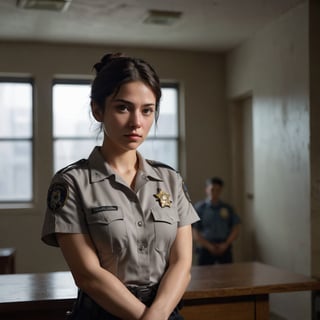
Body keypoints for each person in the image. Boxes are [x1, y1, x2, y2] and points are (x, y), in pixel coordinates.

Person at [41, 52, 199, 320]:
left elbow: (182, 264)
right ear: (97, 110)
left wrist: (157, 315)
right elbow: (88, 275)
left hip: (162, 311)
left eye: (147, 110)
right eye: (123, 108)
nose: (137, 122)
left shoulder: (170, 180)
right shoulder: (71, 183)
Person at [192, 177, 240, 265]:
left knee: (227, 275)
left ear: (221, 190)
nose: (214, 192)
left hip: (224, 246)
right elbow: (195, 231)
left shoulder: (227, 208)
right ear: (207, 189)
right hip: (205, 247)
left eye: (217, 190)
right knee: (204, 275)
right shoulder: (199, 208)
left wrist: (225, 244)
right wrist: (209, 246)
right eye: (212, 189)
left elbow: (235, 228)